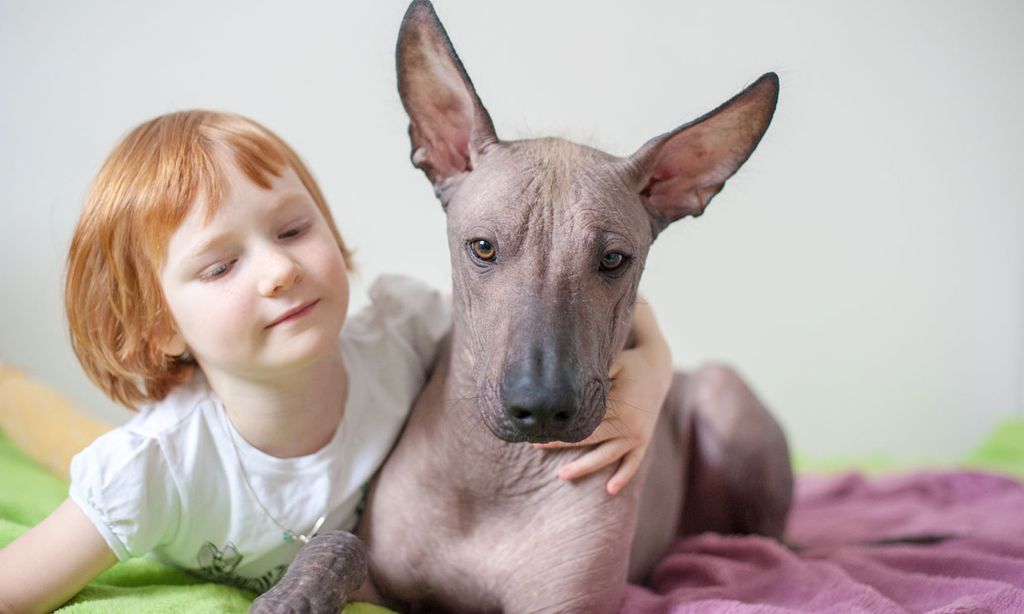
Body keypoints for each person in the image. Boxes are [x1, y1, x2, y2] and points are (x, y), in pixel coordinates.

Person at [0, 110, 673, 612]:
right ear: (159, 330)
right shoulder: (154, 467)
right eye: (220, 265)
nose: (278, 270)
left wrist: (651, 372)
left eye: (292, 229)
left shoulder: (397, 336)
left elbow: (546, 289)